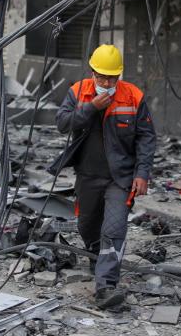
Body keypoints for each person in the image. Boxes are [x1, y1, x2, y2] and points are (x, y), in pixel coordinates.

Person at [50, 45, 157, 309]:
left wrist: (142, 173)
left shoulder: (133, 96)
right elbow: (63, 123)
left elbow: (146, 137)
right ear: (92, 72)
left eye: (112, 77)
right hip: (87, 175)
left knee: (114, 229)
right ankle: (95, 255)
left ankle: (106, 288)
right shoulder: (78, 92)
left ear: (119, 75)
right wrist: (89, 108)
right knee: (87, 226)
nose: (106, 82)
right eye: (101, 77)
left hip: (120, 178)